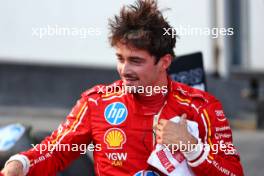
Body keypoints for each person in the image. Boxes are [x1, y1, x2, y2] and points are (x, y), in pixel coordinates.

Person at [1, 0, 244, 175]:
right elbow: (55, 151)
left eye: (136, 61)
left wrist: (193, 148)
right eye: (120, 59)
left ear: (165, 62)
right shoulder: (97, 102)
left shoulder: (202, 107)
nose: (124, 70)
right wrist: (20, 164)